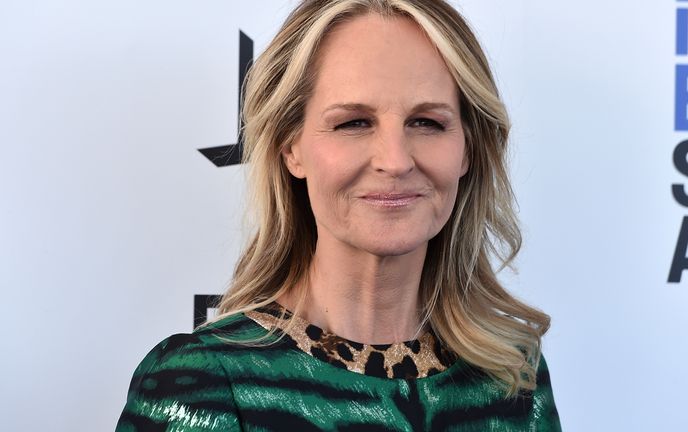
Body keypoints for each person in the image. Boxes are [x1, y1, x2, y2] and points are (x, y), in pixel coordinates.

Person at [116, 0, 560, 430]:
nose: (395, 160)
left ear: (467, 148)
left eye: (427, 122)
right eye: (354, 123)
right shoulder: (202, 383)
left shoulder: (512, 375)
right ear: (292, 148)